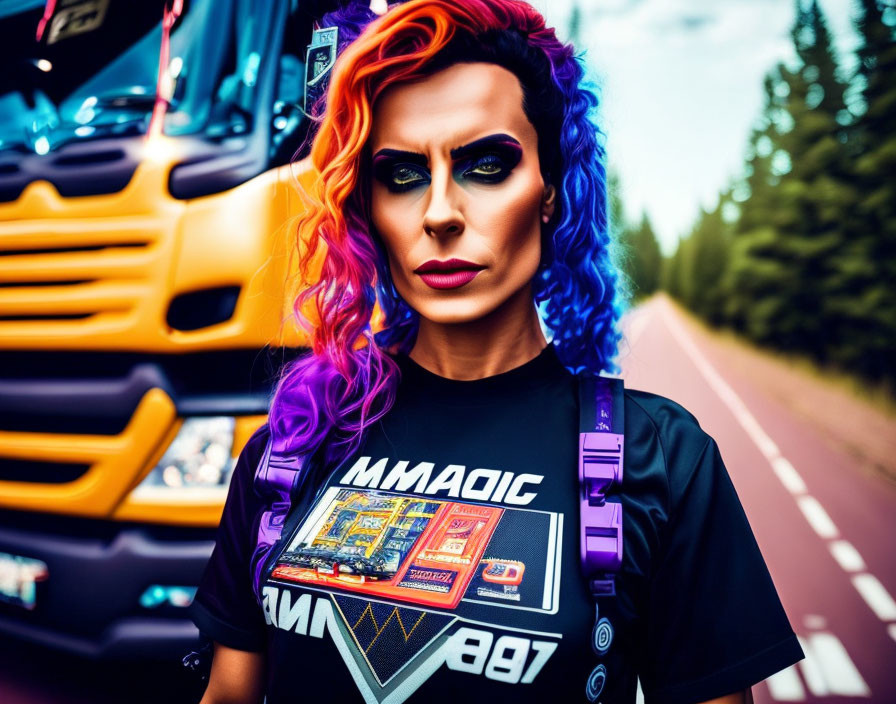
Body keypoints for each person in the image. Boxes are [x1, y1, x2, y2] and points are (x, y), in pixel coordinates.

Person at [188, 1, 804, 702]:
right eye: (402, 174)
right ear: (367, 208)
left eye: (486, 164)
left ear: (549, 191)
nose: (441, 212)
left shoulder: (661, 460)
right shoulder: (292, 448)